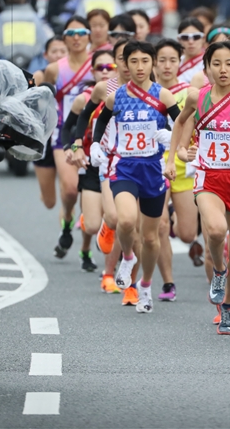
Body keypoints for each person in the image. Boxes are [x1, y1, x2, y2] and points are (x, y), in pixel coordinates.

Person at [166, 41, 230, 334]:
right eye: (216, 64)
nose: (223, 70)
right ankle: (218, 272)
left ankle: (229, 306)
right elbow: (180, 124)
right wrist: (178, 153)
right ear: (207, 67)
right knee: (213, 230)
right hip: (209, 178)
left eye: (229, 64)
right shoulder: (196, 97)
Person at [90, 40, 180, 312]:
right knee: (126, 221)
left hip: (153, 170)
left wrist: (172, 139)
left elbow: (183, 123)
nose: (139, 67)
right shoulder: (116, 96)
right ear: (124, 65)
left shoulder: (164, 96)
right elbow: (102, 120)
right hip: (125, 168)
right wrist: (95, 144)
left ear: (152, 63)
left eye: (144, 61)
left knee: (151, 238)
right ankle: (127, 257)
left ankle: (145, 285)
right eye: (133, 62)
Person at [34, 16, 94, 260]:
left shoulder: (99, 64)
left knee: (91, 192)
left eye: (81, 32)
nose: (76, 37)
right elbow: (46, 101)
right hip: (64, 133)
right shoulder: (55, 69)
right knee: (70, 190)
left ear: (89, 35)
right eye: (71, 33)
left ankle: (88, 244)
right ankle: (68, 220)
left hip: (96, 134)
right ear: (64, 37)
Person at [61, 50, 118, 273]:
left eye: (110, 68)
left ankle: (113, 264)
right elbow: (69, 130)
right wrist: (74, 150)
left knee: (112, 215)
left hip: (118, 164)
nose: (105, 72)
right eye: (99, 68)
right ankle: (85, 248)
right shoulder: (84, 99)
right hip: (91, 164)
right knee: (93, 223)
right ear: (92, 71)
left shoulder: (126, 95)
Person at [153, 38, 201, 301]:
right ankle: (168, 283)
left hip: (184, 169)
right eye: (162, 60)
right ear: (154, 63)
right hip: (154, 168)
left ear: (180, 63)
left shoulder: (189, 93)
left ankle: (171, 213)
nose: (168, 65)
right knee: (159, 225)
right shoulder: (147, 92)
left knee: (187, 234)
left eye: (173, 60)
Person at [177, 17, 207, 84]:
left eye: (196, 37)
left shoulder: (209, 64)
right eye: (185, 37)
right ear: (179, 39)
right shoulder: (173, 62)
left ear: (203, 38)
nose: (191, 41)